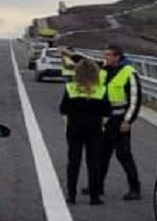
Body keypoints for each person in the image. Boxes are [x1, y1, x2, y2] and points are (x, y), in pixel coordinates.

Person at [92, 44, 142, 200]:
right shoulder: (103, 70)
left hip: (119, 120)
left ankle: (135, 188)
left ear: (117, 57)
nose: (105, 57)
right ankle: (97, 186)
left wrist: (128, 121)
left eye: (108, 55)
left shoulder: (129, 72)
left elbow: (135, 99)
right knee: (101, 155)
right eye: (105, 54)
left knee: (123, 155)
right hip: (104, 120)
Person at [59, 58, 110, 205]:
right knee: (94, 163)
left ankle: (71, 196)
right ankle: (94, 197)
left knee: (73, 162)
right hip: (94, 129)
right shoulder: (101, 89)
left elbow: (63, 109)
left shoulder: (70, 88)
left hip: (74, 128)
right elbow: (107, 112)